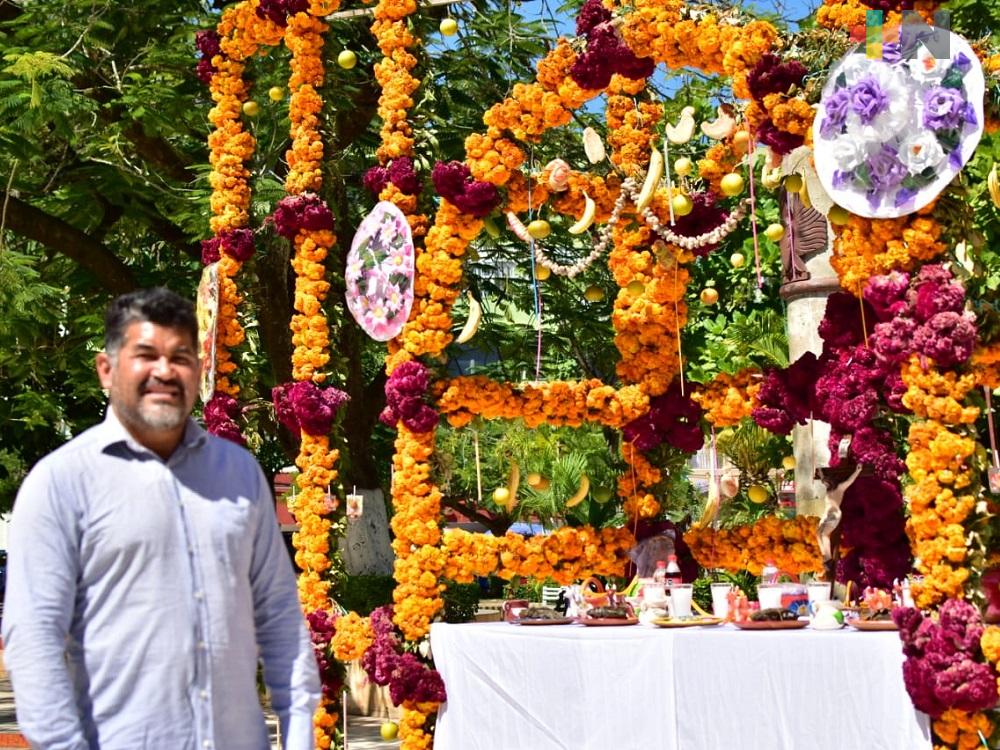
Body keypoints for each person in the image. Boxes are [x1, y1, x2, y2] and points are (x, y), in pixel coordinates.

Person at [2, 287, 320, 749]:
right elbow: (33, 641)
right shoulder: (61, 484)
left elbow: (279, 619)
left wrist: (299, 737)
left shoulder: (239, 474)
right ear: (106, 370)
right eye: (146, 354)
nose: (165, 371)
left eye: (182, 356)